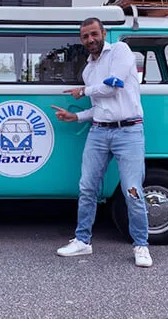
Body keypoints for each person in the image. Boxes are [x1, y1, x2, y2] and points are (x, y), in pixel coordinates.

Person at [51, 17, 152, 267]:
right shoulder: (88, 69)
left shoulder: (120, 50)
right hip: (98, 131)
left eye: (94, 34)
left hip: (128, 131)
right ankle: (82, 241)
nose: (90, 40)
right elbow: (99, 108)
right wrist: (75, 116)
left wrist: (82, 91)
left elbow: (113, 86)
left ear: (103, 33)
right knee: (87, 187)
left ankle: (141, 245)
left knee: (132, 190)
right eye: (85, 36)